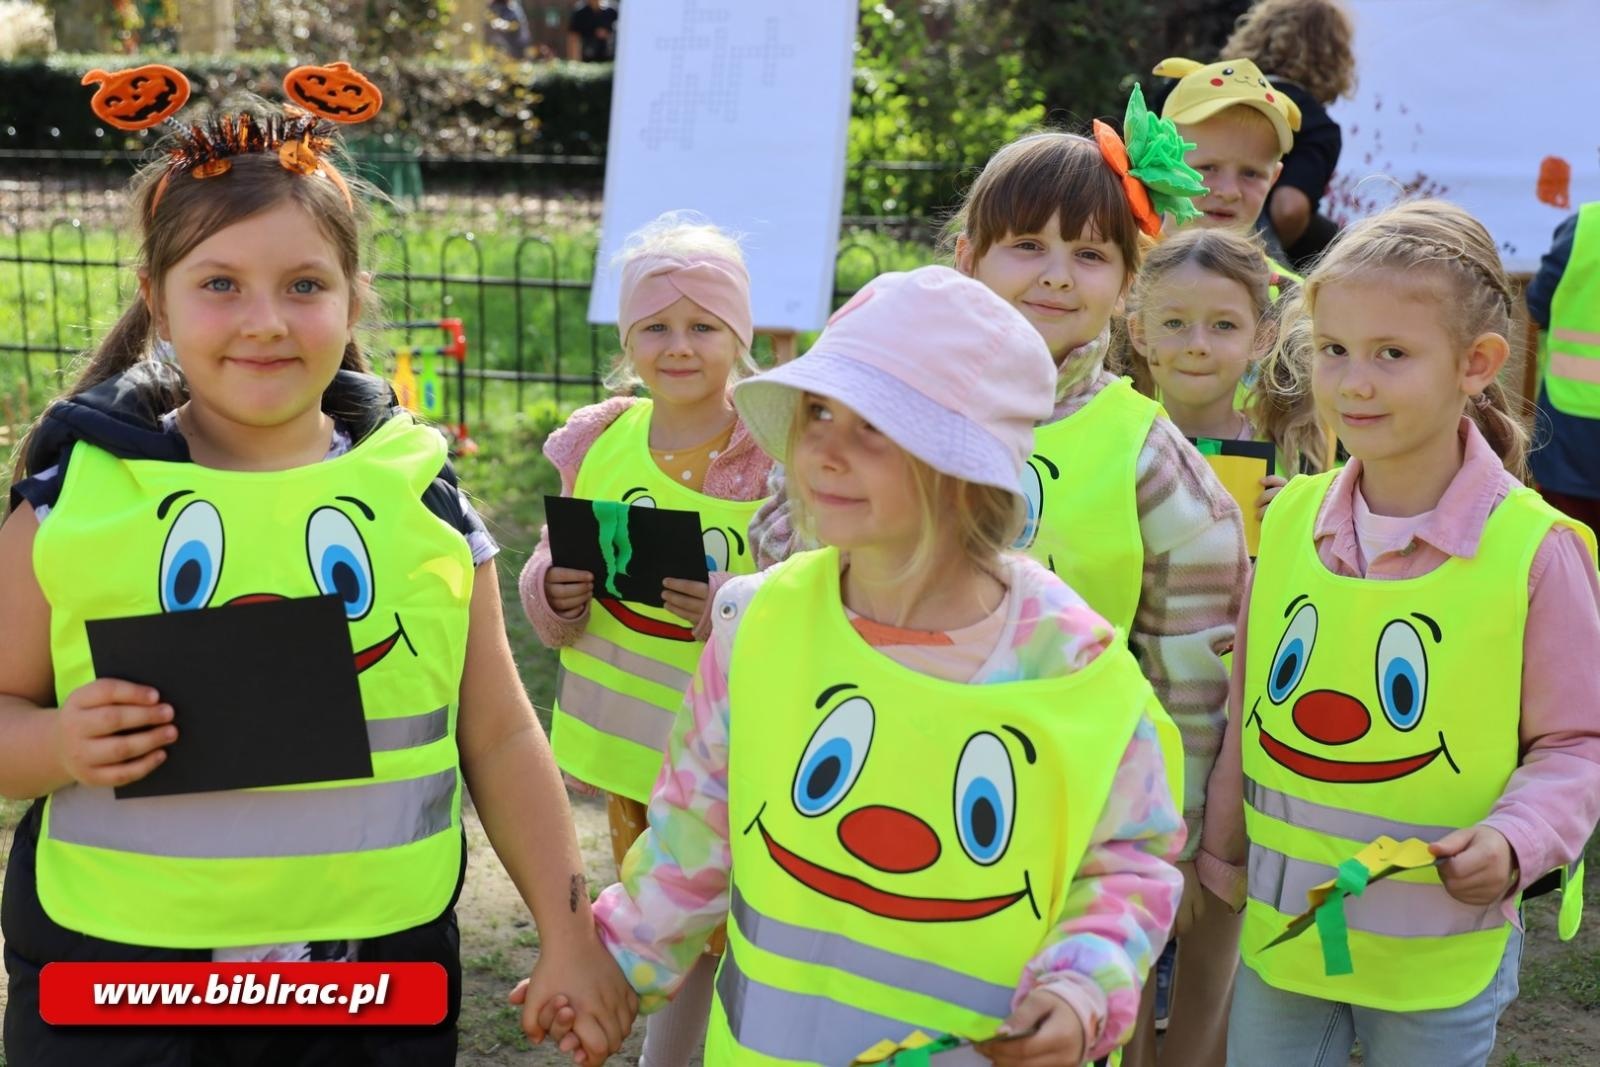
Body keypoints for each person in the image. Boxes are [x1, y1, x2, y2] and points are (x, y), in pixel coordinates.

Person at [0, 71, 634, 1066]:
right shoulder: (69, 502)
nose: (266, 320)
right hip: (120, 985)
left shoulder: (419, 499)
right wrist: (56, 743)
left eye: (304, 285)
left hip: (366, 980)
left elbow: (503, 733)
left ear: (351, 298)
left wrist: (569, 932)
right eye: (220, 284)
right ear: (156, 300)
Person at [535, 265, 1185, 1065]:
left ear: (968, 471)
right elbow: (690, 833)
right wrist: (615, 966)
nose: (826, 450)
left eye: (873, 425)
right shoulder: (758, 622)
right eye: (817, 411)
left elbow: (1128, 859)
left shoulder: (1076, 667)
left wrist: (1083, 985)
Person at [1202, 200, 1600, 1066]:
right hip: (1284, 937)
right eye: (1335, 349)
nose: (1355, 383)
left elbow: (1578, 742)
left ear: (1475, 363)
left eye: (1392, 354)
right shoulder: (1290, 520)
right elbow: (1249, 706)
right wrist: (1222, 852)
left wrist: (1517, 840)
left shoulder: (1536, 552)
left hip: (1438, 956)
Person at [519, 211, 771, 1066]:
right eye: (656, 327)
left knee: (732, 926)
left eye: (704, 325)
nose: (679, 345)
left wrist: (729, 601)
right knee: (663, 920)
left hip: (731, 759)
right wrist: (550, 587)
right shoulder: (601, 439)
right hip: (633, 755)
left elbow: (811, 582)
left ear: (739, 336)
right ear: (628, 339)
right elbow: (553, 553)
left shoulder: (774, 454)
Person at [1125, 226, 1330, 514]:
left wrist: (1291, 520)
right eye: (1174, 323)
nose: (1197, 345)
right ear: (1140, 333)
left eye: (1223, 325)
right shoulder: (1116, 444)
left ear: (1261, 338)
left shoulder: (1290, 462)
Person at [1220, 0, 1357, 267]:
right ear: (1334, 57)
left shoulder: (1213, 93)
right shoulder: (1315, 124)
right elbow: (1289, 209)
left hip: (1176, 229)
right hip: (1247, 251)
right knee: (1341, 246)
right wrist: (1272, 257)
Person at [1152, 55, 1305, 291]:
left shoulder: (1290, 295)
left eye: (1251, 174)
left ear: (1273, 178)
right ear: (1162, 161)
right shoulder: (1121, 272)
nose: (1229, 191)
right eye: (1207, 167)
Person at [1525, 203, 1600, 532]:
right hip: (1572, 425)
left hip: (1573, 429)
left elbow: (1538, 304)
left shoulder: (1586, 226)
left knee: (1569, 546)